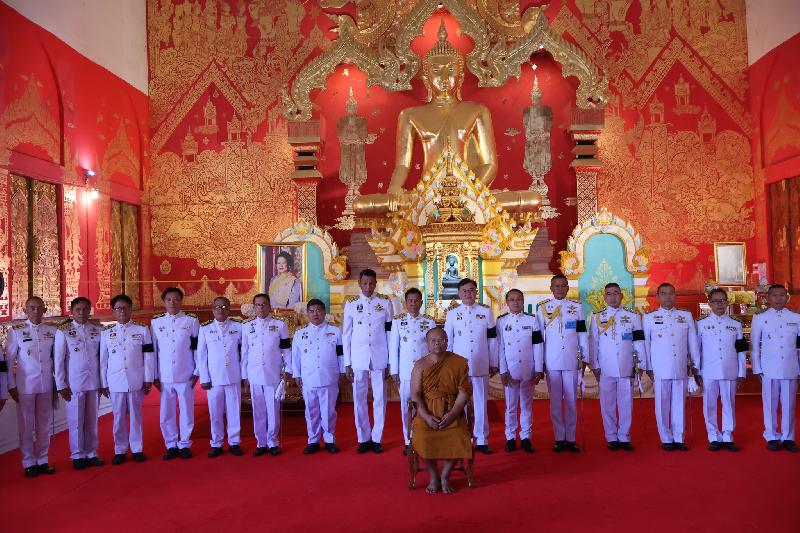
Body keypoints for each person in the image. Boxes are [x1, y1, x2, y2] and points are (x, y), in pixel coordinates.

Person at [411, 327, 472, 494]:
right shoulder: (420, 365)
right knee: (423, 436)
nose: (438, 343)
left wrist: (452, 414)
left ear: (447, 342)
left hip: (452, 410)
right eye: (433, 340)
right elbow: (415, 395)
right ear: (427, 344)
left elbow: (464, 392)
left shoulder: (459, 362)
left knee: (458, 435)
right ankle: (433, 476)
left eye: (442, 339)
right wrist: (427, 417)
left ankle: (445, 476)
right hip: (426, 413)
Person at [642, 283, 700, 451]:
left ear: (675, 295)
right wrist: (648, 366)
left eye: (671, 293)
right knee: (662, 404)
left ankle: (679, 437)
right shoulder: (649, 317)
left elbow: (693, 343)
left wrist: (695, 365)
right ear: (658, 297)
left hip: (681, 366)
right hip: (660, 368)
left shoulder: (685, 316)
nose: (668, 297)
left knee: (679, 403)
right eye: (664, 294)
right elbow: (646, 344)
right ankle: (666, 438)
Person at [443, 278, 499, 454]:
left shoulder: (486, 312)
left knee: (481, 403)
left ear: (476, 292)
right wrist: (448, 365)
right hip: (459, 368)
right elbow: (448, 341)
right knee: (460, 404)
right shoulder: (452, 314)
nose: (468, 293)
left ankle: (481, 439)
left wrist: (494, 362)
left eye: (472, 290)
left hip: (481, 363)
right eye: (465, 291)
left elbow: (493, 340)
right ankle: (462, 437)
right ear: (459, 293)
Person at [588, 283, 645, 451]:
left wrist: (641, 363)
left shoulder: (633, 316)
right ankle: (611, 436)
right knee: (608, 404)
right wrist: (595, 365)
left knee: (626, 403)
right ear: (604, 297)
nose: (613, 297)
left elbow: (639, 341)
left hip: (626, 366)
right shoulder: (597, 317)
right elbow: (593, 343)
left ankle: (624, 436)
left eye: (615, 293)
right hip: (606, 367)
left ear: (621, 295)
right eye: (609, 294)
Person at [6, 296, 58, 477]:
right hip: (25, 387)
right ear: (25, 310)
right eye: (32, 308)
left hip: (45, 385)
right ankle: (28, 461)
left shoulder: (52, 331)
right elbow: (9, 360)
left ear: (44, 310)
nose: (36, 311)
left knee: (44, 425)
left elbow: (56, 359)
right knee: (26, 425)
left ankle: (42, 459)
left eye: (39, 308)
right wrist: (11, 385)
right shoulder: (16, 331)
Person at [100, 294, 155, 465]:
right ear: (114, 311)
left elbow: (148, 356)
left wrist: (148, 378)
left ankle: (137, 448)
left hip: (135, 380)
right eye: (118, 308)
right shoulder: (107, 333)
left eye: (125, 308)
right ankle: (120, 450)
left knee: (136, 416)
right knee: (118, 417)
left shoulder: (142, 330)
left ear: (131, 309)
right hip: (115, 381)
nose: (122, 311)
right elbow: (103, 360)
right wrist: (104, 383)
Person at [343, 268, 394, 454]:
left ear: (375, 283)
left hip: (380, 356)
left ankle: (377, 438)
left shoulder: (385, 303)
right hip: (358, 357)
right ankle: (363, 438)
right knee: (359, 399)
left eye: (371, 283)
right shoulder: (351, 303)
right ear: (359, 283)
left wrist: (390, 362)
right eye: (364, 283)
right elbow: (346, 335)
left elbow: (390, 333)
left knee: (380, 399)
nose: (368, 287)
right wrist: (347, 363)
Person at [536, 274, 589, 452]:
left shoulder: (577, 307)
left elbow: (582, 334)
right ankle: (559, 437)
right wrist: (540, 362)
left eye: (563, 286)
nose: (559, 289)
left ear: (567, 288)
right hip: (551, 360)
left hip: (571, 360)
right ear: (551, 288)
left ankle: (571, 438)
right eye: (556, 286)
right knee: (556, 401)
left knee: (571, 400)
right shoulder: (543, 308)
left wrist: (585, 357)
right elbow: (538, 339)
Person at [54, 296, 105, 470]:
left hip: (94, 382)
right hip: (74, 383)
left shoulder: (98, 329)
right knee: (76, 421)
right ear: (71, 311)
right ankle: (77, 455)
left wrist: (103, 382)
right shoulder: (64, 331)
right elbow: (59, 360)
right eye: (78, 310)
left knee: (92, 421)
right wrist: (61, 384)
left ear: (89, 311)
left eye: (85, 309)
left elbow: (102, 358)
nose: (82, 313)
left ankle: (91, 452)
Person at [151, 287, 200, 460]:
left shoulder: (191, 321)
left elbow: (197, 348)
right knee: (166, 411)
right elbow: (153, 351)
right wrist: (153, 374)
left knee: (187, 410)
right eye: (169, 299)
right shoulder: (156, 322)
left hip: (185, 373)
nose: (173, 302)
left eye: (176, 299)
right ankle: (170, 444)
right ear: (164, 302)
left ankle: (185, 443)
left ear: (181, 301)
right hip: (164, 375)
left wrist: (197, 370)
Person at [749, 284, 799, 452]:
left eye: (782, 295)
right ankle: (771, 435)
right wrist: (757, 368)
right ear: (768, 298)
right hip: (769, 368)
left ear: (787, 297)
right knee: (769, 404)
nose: (779, 298)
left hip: (790, 367)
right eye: (775, 295)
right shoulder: (760, 318)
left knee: (789, 404)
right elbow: (754, 345)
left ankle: (788, 437)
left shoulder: (796, 317)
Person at [696, 288, 748, 452]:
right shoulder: (701, 324)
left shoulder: (735, 324)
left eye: (722, 301)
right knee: (709, 404)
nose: (719, 304)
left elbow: (741, 350)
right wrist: (696, 370)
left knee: (729, 404)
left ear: (727, 302)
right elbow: (696, 349)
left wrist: (742, 372)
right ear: (709, 303)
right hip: (708, 370)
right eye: (716, 301)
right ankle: (713, 436)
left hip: (729, 370)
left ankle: (727, 436)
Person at [241, 293, 292, 456]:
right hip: (254, 373)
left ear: (269, 306)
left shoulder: (280, 325)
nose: (261, 308)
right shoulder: (247, 326)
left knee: (273, 409)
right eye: (257, 305)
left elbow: (286, 350)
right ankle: (261, 442)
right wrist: (244, 375)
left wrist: (288, 369)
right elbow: (244, 352)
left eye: (264, 304)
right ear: (253, 307)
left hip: (273, 373)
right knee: (258, 410)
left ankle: (273, 441)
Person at [292, 299, 344, 454]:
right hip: (308, 379)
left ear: (324, 312)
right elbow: (296, 357)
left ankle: (329, 439)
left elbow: (341, 354)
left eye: (319, 310)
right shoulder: (300, 333)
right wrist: (297, 374)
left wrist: (342, 371)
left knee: (328, 411)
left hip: (329, 377)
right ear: (307, 313)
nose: (315, 314)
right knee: (311, 411)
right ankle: (313, 440)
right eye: (312, 311)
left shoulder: (335, 331)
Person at [389, 288, 436, 453]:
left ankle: (425, 438)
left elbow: (434, 348)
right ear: (405, 302)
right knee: (406, 407)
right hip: (406, 372)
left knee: (426, 406)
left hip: (425, 372)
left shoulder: (429, 321)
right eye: (410, 301)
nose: (414, 304)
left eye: (417, 301)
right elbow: (394, 348)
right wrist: (394, 371)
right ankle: (408, 440)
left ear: (421, 303)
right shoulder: (397, 321)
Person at [197, 296, 244, 458]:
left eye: (225, 307)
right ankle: (216, 443)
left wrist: (243, 375)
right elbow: (201, 356)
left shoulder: (238, 327)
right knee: (215, 412)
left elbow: (243, 353)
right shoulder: (205, 329)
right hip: (214, 379)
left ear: (229, 309)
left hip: (233, 376)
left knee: (234, 411)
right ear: (213, 309)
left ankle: (234, 442)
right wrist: (204, 377)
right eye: (218, 307)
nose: (221, 310)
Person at [497, 289, 543, 453]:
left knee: (526, 405)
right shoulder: (501, 322)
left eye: (518, 299)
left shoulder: (532, 320)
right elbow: (500, 348)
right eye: (512, 300)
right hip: (510, 370)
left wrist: (538, 368)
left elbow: (538, 345)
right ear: (507, 302)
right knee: (510, 406)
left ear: (523, 301)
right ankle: (510, 437)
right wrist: (503, 370)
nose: (515, 303)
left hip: (528, 369)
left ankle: (526, 437)